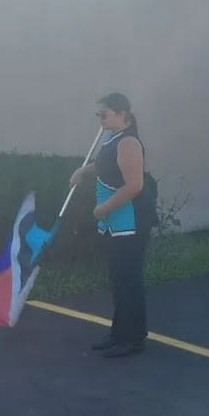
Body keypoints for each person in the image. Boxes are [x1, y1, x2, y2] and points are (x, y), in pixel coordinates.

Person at [71, 92, 149, 358]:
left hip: (128, 221)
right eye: (98, 115)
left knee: (129, 279)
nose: (100, 120)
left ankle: (133, 338)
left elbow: (135, 186)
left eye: (104, 115)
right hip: (115, 222)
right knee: (118, 278)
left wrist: (104, 208)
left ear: (121, 114)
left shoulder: (128, 143)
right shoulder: (112, 138)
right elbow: (105, 165)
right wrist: (84, 171)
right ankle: (119, 332)